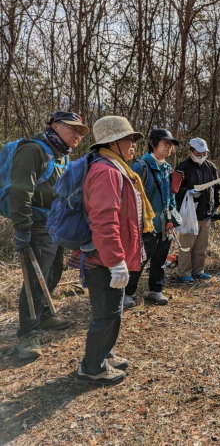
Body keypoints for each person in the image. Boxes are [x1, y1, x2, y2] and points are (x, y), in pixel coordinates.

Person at [74, 115, 151, 385]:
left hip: (107, 257)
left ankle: (104, 353)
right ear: (113, 142)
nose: (133, 145)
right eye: (129, 139)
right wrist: (116, 260)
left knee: (112, 310)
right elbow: (105, 220)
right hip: (103, 259)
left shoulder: (115, 167)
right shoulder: (106, 171)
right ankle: (92, 367)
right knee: (106, 314)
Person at [10, 111, 88, 360]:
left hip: (56, 224)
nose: (77, 135)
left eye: (80, 132)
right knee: (36, 278)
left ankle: (44, 315)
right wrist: (22, 227)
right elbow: (20, 189)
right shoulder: (33, 150)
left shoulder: (61, 155)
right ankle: (26, 335)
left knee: (54, 272)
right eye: (72, 129)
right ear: (55, 126)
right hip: (37, 224)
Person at [124, 129, 180, 307]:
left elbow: (171, 196)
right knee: (139, 259)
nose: (169, 147)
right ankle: (126, 293)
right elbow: (130, 199)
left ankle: (155, 290)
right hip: (146, 224)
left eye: (171, 144)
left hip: (165, 223)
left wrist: (172, 215)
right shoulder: (140, 167)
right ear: (153, 144)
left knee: (160, 258)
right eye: (165, 143)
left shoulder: (168, 168)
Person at [175, 137, 220, 282]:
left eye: (204, 153)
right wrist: (188, 192)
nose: (201, 156)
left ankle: (198, 271)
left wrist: (215, 207)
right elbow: (174, 190)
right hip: (189, 214)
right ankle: (185, 273)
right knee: (186, 246)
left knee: (201, 247)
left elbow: (216, 188)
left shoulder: (211, 167)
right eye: (198, 153)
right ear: (191, 152)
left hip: (205, 213)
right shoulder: (181, 168)